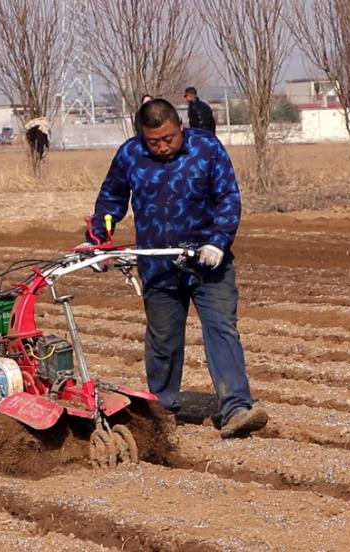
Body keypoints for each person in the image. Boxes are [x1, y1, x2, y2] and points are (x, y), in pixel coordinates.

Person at [83, 98, 267, 439]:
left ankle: (236, 408)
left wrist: (218, 241)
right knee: (163, 341)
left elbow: (228, 197)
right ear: (143, 136)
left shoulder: (206, 148)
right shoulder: (129, 155)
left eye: (168, 138)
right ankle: (162, 412)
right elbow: (110, 201)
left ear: (180, 126)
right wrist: (98, 240)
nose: (163, 147)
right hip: (158, 265)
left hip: (209, 265)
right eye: (154, 142)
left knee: (222, 331)